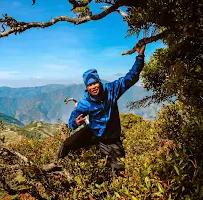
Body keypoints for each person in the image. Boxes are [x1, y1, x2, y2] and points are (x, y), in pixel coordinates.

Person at [45, 44, 146, 172]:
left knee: (119, 169)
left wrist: (140, 56)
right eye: (90, 85)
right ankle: (56, 164)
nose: (93, 87)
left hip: (111, 139)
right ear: (86, 87)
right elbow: (73, 117)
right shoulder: (85, 102)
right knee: (67, 144)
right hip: (93, 132)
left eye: (95, 83)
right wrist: (74, 123)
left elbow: (131, 77)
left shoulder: (112, 90)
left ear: (99, 82)